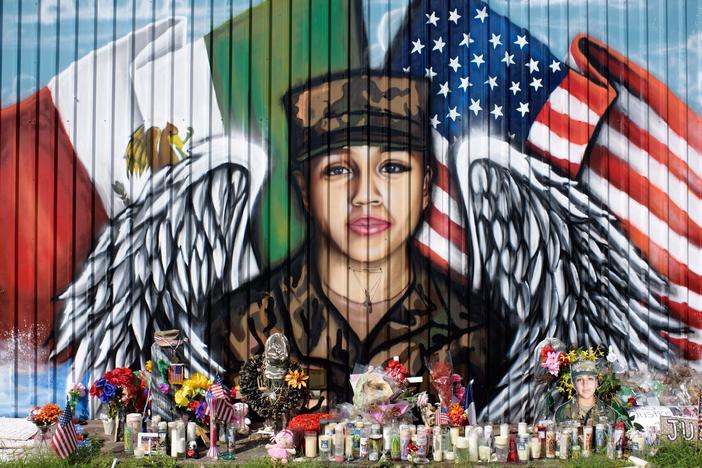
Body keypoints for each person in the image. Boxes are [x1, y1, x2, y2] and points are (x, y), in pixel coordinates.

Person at [208, 72, 504, 405]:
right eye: (338, 169)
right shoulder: (245, 326)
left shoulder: (471, 330)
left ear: (425, 187)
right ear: (305, 189)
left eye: (392, 167)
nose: (365, 196)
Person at [555, 360, 617, 425]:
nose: (585, 384)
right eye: (579, 379)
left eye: (590, 379)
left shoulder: (608, 413)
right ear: (573, 384)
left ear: (596, 383)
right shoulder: (562, 412)